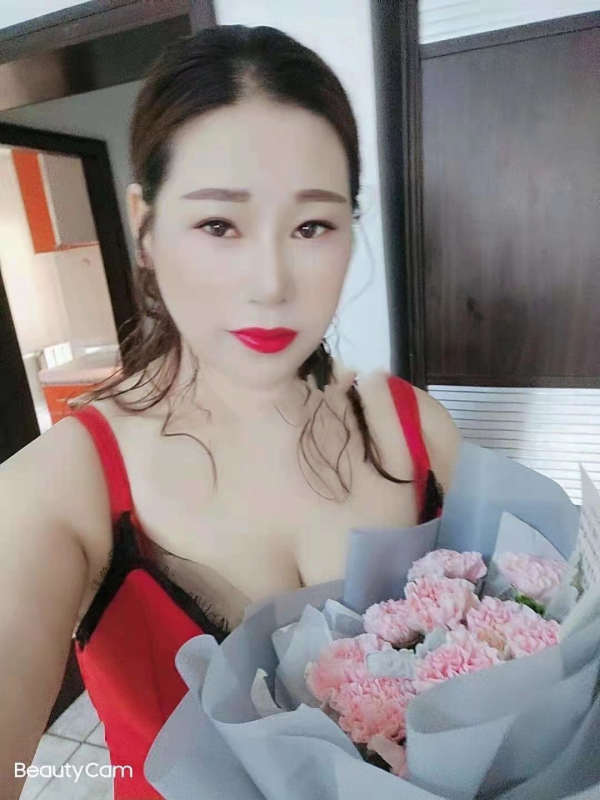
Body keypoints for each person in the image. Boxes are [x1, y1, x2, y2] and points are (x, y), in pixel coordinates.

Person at [0, 25, 461, 800]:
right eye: (218, 224)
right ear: (145, 226)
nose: (270, 284)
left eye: (311, 225)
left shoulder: (418, 430)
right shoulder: (58, 485)